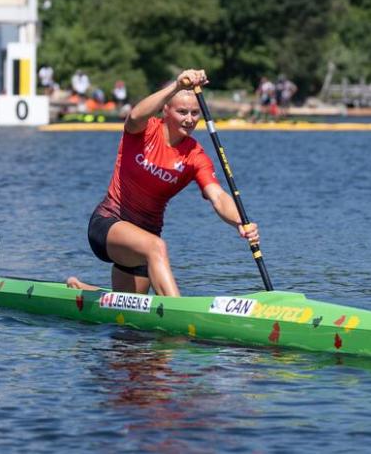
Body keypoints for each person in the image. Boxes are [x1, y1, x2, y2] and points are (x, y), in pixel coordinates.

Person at [66, 69, 260, 298]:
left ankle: (83, 291)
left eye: (195, 113)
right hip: (109, 224)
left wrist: (241, 221)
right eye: (182, 111)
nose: (189, 119)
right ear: (166, 110)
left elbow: (217, 196)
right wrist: (176, 86)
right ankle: (178, 315)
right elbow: (135, 116)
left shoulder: (195, 156)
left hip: (144, 237)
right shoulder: (144, 131)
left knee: (130, 309)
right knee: (157, 247)